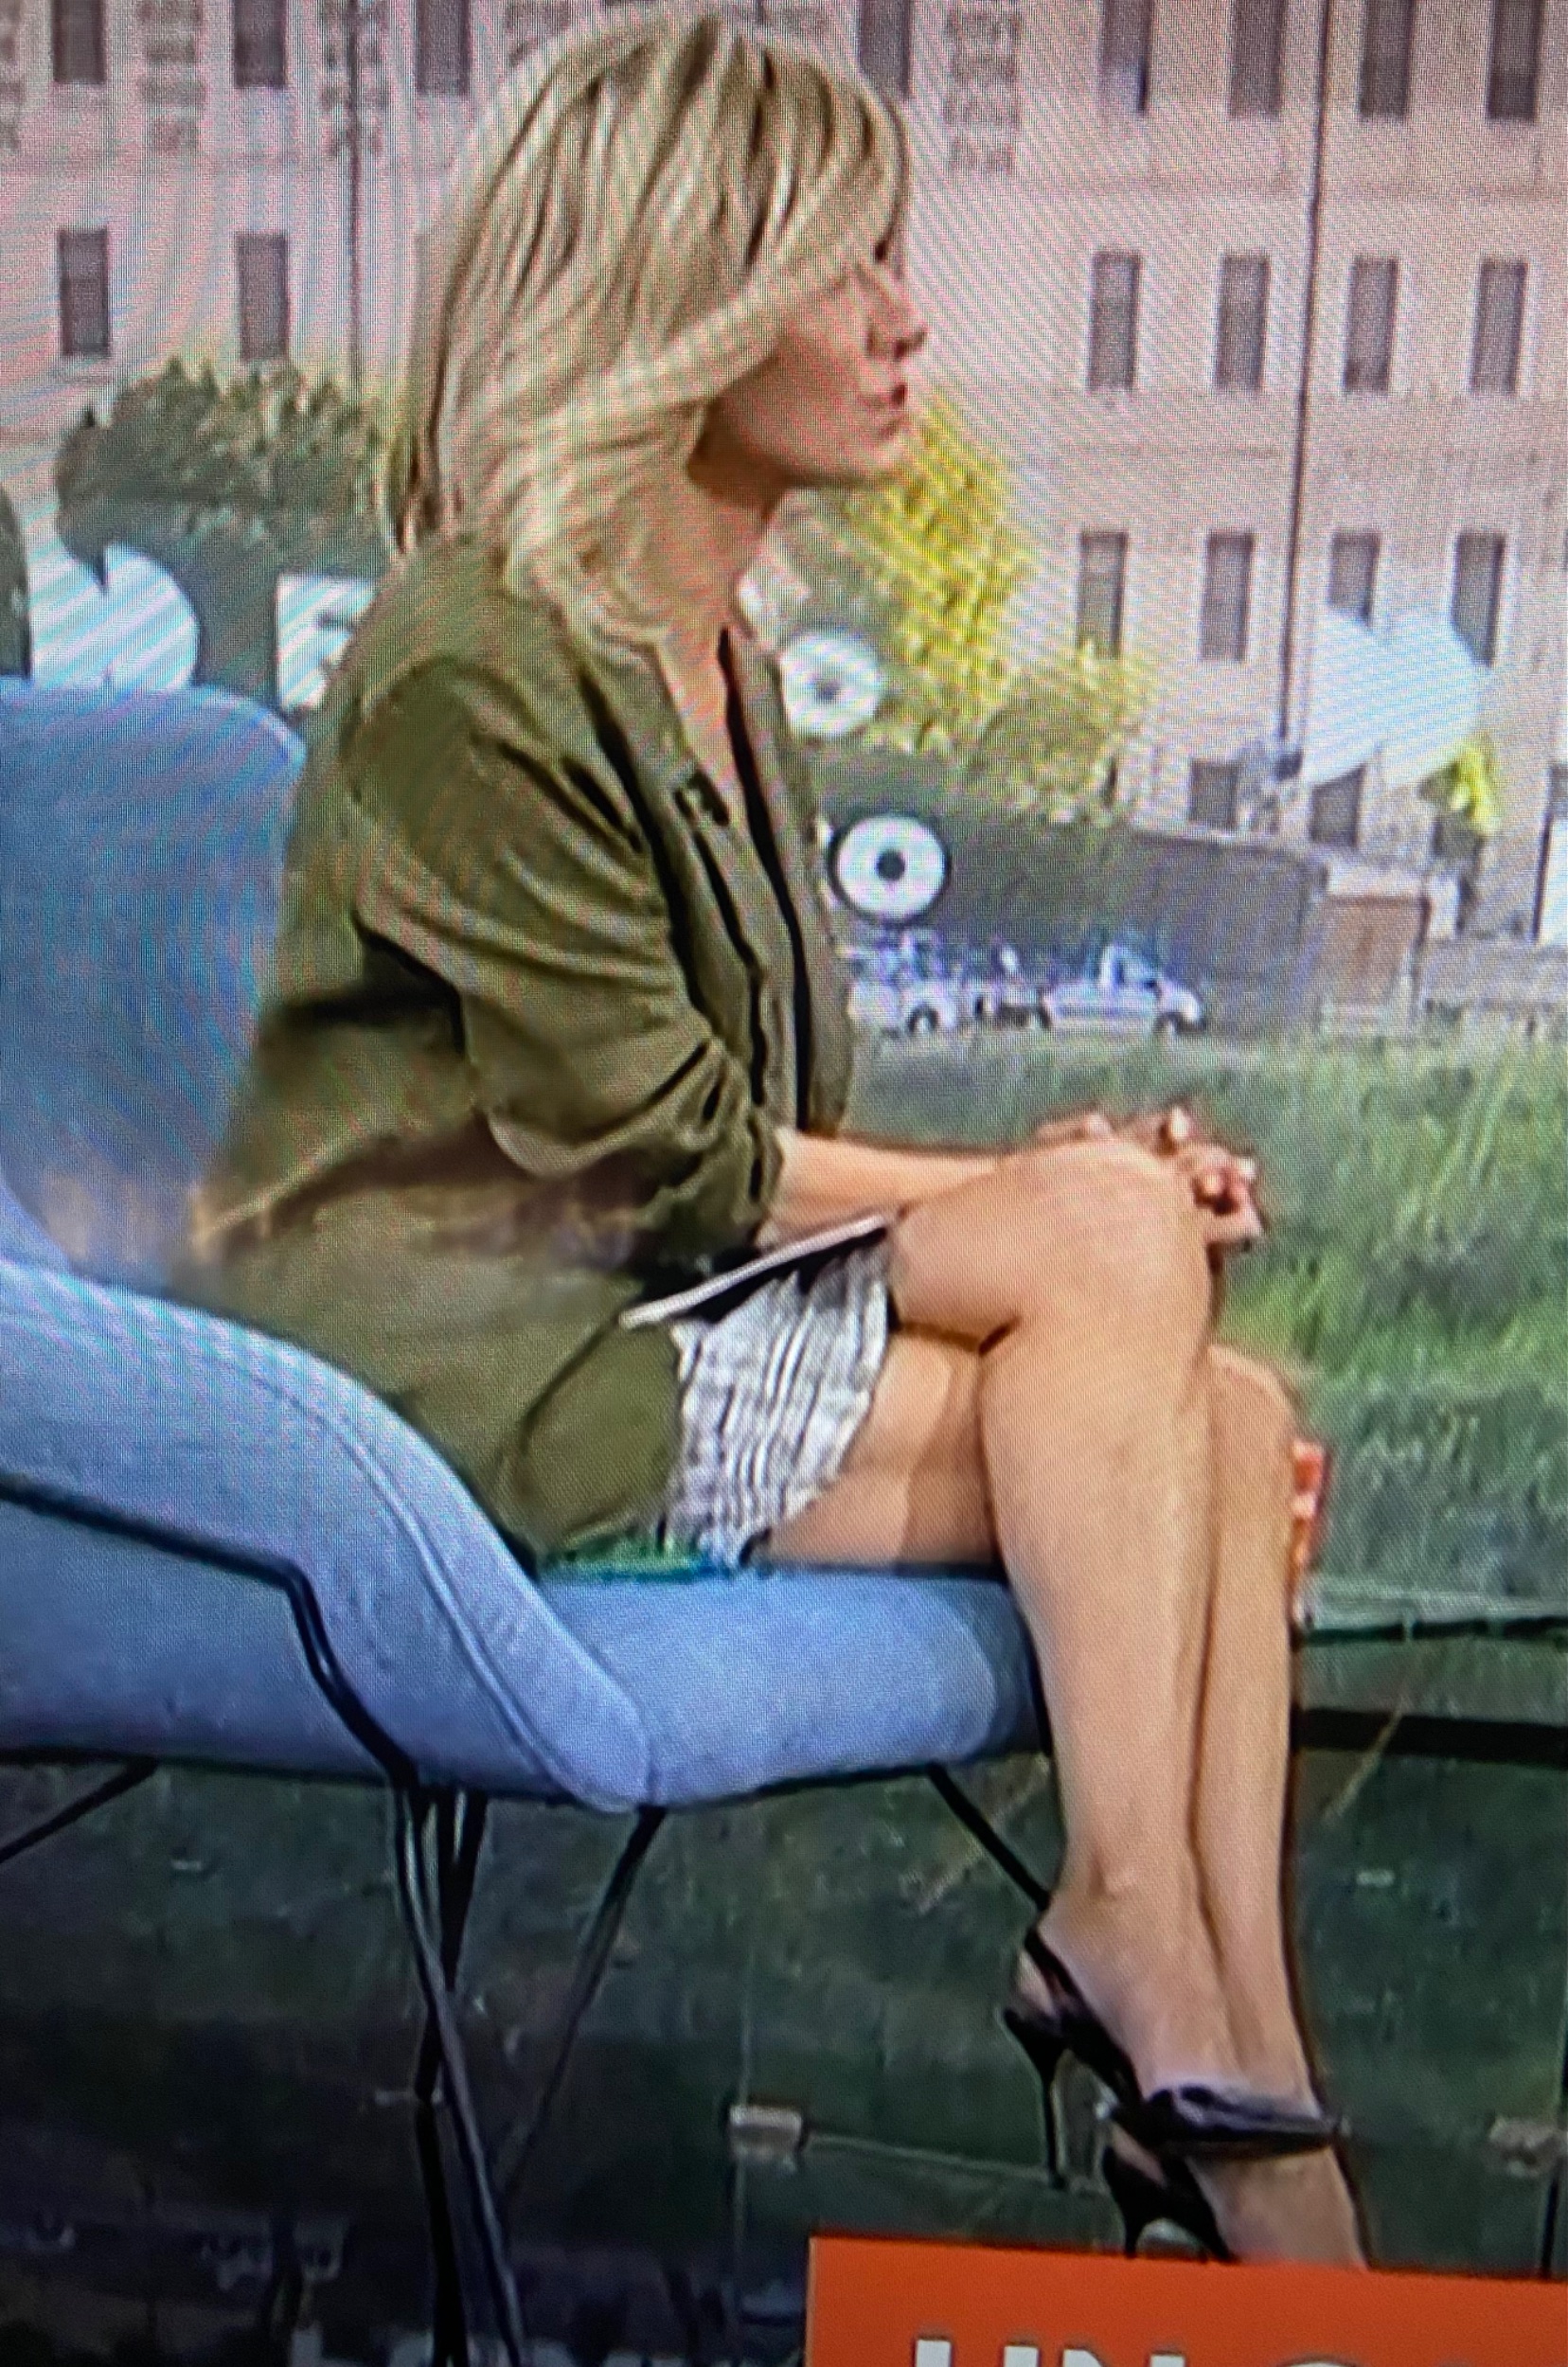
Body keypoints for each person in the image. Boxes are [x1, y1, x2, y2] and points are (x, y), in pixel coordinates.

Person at [178, 12, 1363, 2266]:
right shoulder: (471, 653)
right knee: (1119, 1268)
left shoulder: (706, 650)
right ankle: (1143, 1954)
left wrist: (1069, 1185)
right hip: (463, 1372)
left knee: (1222, 1409)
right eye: (848, 264)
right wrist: (1065, 1207)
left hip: (658, 1309)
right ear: (677, 297)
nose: (910, 318)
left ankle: (1235, 2069)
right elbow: (667, 1159)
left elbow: (756, 1139)